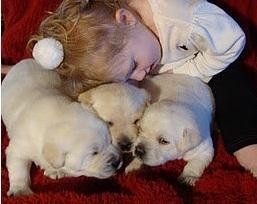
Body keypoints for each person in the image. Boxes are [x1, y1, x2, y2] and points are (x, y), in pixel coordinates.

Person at [29, 0, 257, 177]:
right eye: (128, 73)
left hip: (208, 59)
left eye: (134, 65)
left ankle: (249, 146)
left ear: (127, 19)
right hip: (168, 74)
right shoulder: (124, 41)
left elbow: (233, 41)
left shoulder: (186, 18)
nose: (138, 75)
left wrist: (194, 70)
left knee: (233, 87)